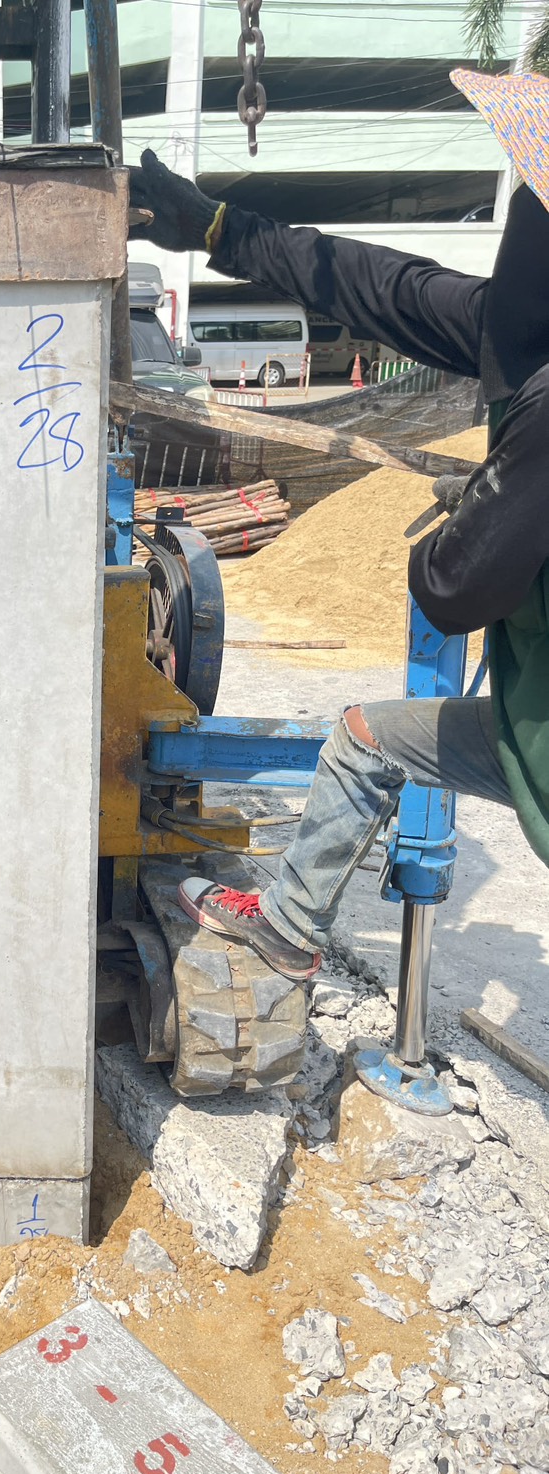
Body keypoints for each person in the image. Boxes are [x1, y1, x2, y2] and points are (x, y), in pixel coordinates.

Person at [126, 69, 549, 984]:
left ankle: (286, 929)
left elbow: (454, 586)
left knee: (366, 739)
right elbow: (389, 288)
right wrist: (220, 228)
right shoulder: (525, 333)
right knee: (369, 735)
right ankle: (289, 926)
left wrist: (479, 507)